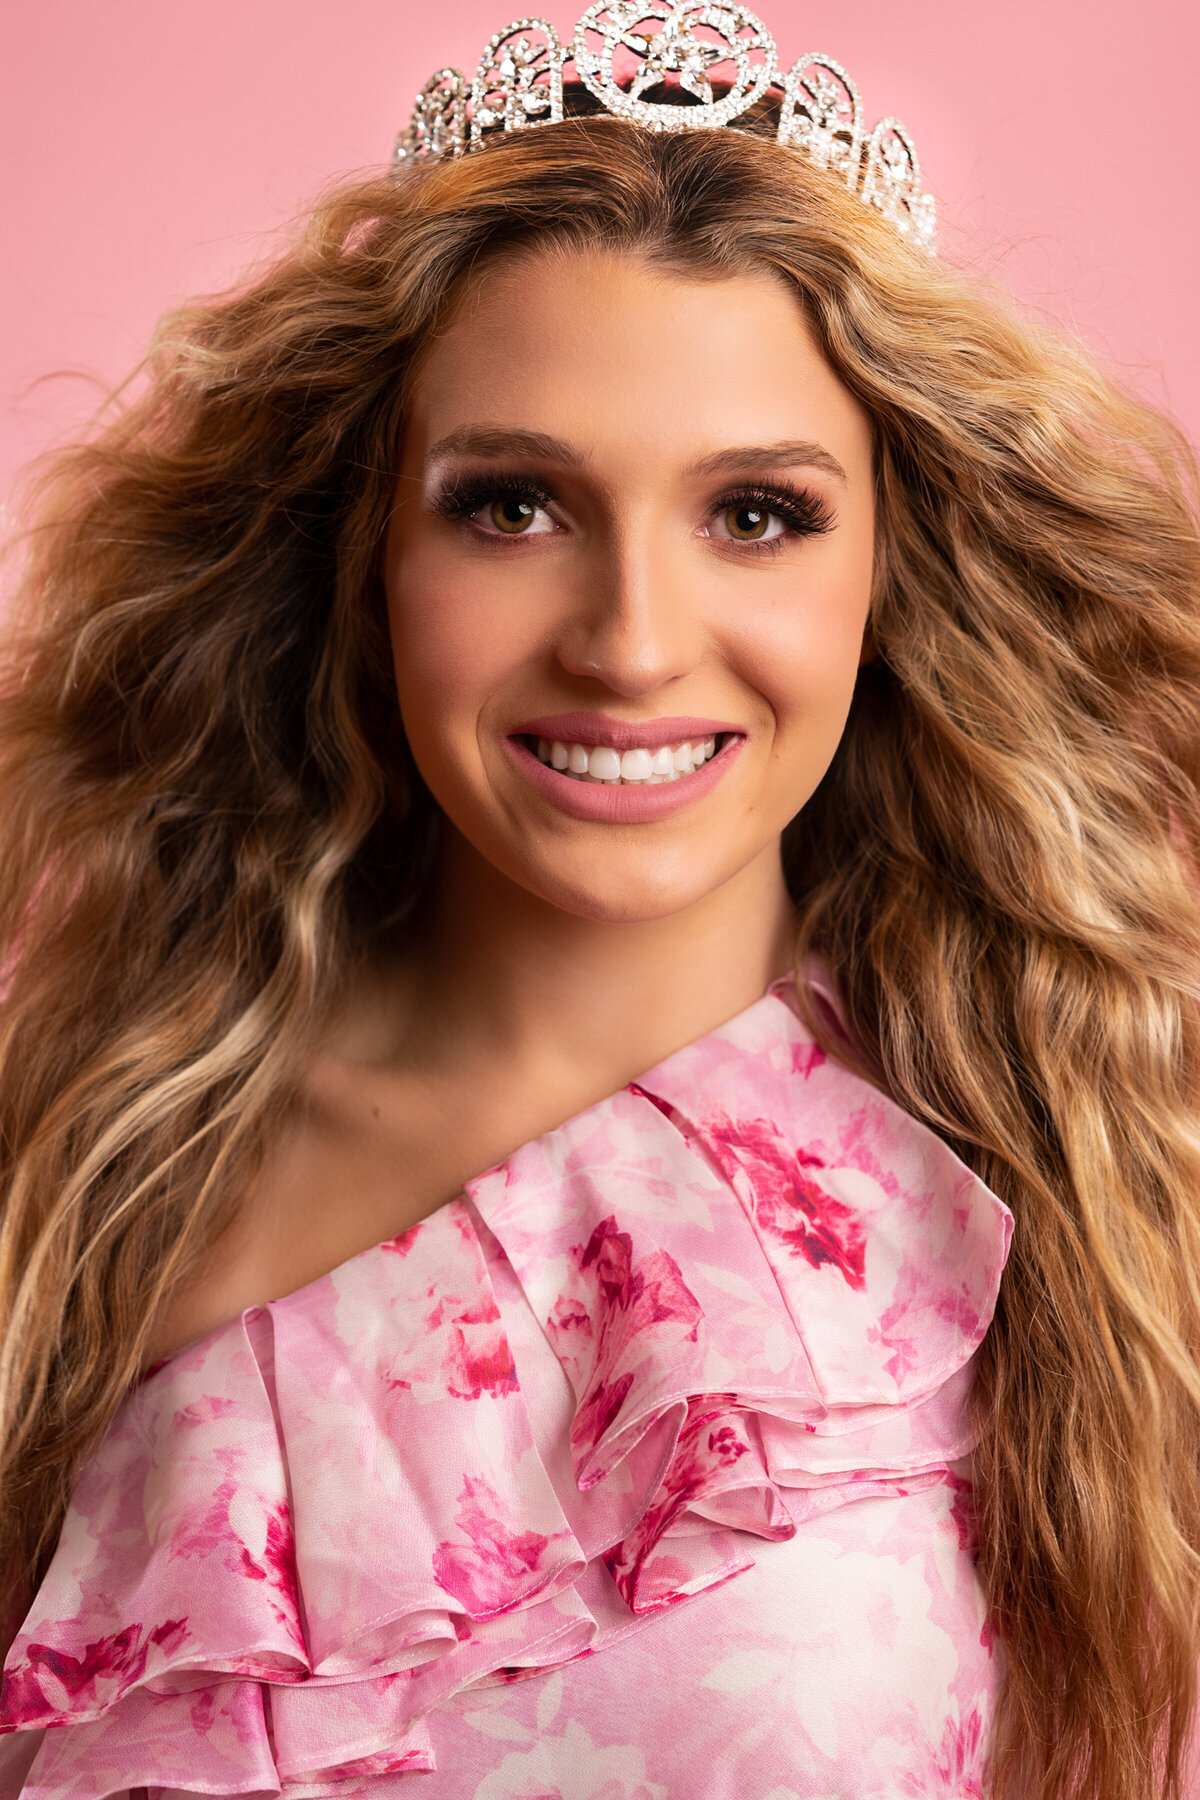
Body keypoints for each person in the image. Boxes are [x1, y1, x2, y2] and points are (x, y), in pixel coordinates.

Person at [0, 9, 1198, 1797]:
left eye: (759, 517)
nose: (629, 644)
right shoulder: (88, 1158)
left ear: (896, 563)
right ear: (370, 555)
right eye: (512, 506)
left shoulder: (1087, 1182)